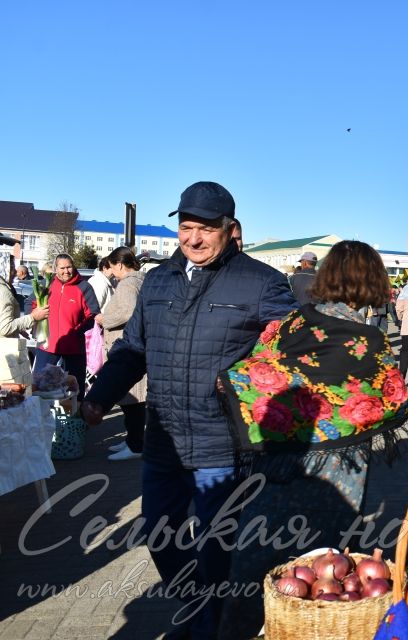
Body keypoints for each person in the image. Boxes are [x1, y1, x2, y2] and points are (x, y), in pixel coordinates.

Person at [81, 181, 296, 640]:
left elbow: (290, 349)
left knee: (218, 549)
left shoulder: (262, 282)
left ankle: (210, 627)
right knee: (160, 536)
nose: (193, 239)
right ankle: (199, 607)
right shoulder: (157, 281)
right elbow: (134, 349)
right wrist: (99, 395)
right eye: (185, 227)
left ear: (229, 229)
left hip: (222, 443)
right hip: (163, 438)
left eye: (205, 229)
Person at [217, 240, 408, 638]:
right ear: (372, 281)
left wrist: (300, 411)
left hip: (278, 462)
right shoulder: (368, 340)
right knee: (323, 572)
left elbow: (254, 372)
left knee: (257, 562)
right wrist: (338, 411)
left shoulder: (288, 323)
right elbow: (394, 399)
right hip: (339, 471)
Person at [96, 247, 147, 462]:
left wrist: (104, 319)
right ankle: (132, 441)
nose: (112, 273)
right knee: (132, 403)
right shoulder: (141, 280)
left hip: (127, 348)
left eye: (112, 267)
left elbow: (128, 311)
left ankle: (136, 445)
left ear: (119, 264)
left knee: (133, 403)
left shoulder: (127, 283)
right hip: (136, 347)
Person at [33, 254, 100, 402]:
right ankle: (44, 417)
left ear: (73, 266)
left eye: (69, 267)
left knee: (75, 388)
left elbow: (93, 314)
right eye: (62, 268)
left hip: (74, 346)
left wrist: (77, 331)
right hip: (48, 345)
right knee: (40, 385)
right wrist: (34, 320)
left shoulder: (84, 287)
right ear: (55, 269)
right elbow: (31, 303)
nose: (66, 271)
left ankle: (76, 418)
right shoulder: (47, 285)